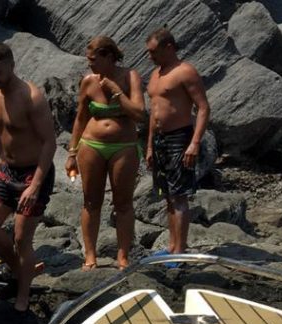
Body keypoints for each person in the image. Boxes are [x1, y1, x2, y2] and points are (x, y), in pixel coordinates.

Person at [0, 43, 56, 315]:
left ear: (12, 65)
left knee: (22, 238)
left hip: (33, 172)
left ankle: (22, 294)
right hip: (6, 169)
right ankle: (22, 270)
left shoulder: (31, 97)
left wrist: (35, 185)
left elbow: (50, 143)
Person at [66, 36, 145, 270]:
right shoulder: (88, 81)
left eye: (93, 60)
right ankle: (90, 256)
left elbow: (140, 113)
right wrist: (72, 151)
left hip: (124, 146)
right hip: (92, 145)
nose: (89, 64)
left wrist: (116, 91)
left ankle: (123, 256)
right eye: (88, 60)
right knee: (91, 201)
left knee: (123, 203)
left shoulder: (130, 76)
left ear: (109, 57)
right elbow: (80, 118)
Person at [145, 28, 210, 255]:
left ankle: (180, 250)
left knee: (179, 195)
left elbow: (203, 107)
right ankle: (172, 246)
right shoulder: (155, 74)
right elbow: (154, 113)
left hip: (179, 137)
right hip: (160, 140)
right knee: (167, 196)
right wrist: (150, 146)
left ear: (169, 47)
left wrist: (195, 142)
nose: (150, 57)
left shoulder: (185, 71)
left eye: (153, 52)